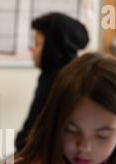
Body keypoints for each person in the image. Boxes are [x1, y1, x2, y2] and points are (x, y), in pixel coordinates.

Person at [15, 13, 89, 152]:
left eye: (38, 44)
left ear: (52, 48)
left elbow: (31, 138)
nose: (33, 50)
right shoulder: (54, 75)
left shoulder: (59, 82)